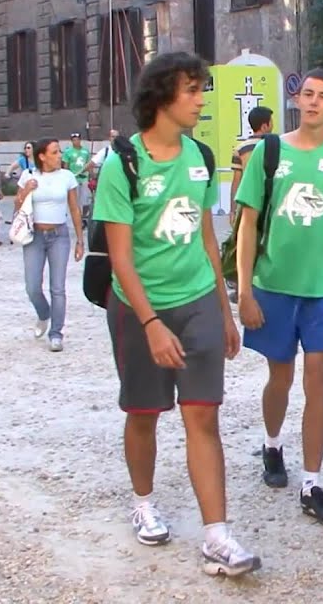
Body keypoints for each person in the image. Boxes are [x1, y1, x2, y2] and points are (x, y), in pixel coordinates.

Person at [92, 52, 258, 576]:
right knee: (143, 414)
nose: (201, 100)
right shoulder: (124, 163)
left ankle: (218, 536)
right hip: (139, 308)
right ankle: (143, 500)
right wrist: (150, 322)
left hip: (197, 303)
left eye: (203, 89)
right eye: (193, 90)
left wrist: (224, 308)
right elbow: (120, 257)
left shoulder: (202, 158)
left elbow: (207, 234)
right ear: (163, 96)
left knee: (203, 416)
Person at [234, 68, 323, 526]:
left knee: (319, 380)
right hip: (273, 287)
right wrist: (244, 291)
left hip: (322, 292)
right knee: (281, 378)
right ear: (298, 100)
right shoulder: (268, 153)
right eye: (307, 94)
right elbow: (247, 224)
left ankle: (312, 484)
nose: (313, 102)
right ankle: (272, 445)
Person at [15, 138, 84, 352]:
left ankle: (56, 333)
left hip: (59, 236)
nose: (59, 156)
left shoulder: (67, 177)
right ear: (42, 156)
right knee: (32, 286)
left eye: (59, 152)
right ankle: (44, 314)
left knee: (58, 288)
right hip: (34, 235)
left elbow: (74, 209)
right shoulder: (29, 175)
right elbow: (17, 205)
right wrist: (26, 190)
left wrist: (80, 240)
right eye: (54, 152)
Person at [229, 106, 274, 226]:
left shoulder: (240, 149)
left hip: (247, 202)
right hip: (271, 203)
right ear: (265, 126)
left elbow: (236, 182)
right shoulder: (276, 147)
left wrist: (232, 210)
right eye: (271, 122)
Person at [63, 132, 95, 218]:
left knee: (86, 199)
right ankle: (78, 216)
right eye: (74, 140)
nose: (76, 142)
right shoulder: (68, 152)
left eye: (77, 140)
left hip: (84, 178)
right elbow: (66, 166)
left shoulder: (85, 151)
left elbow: (89, 164)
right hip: (74, 178)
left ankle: (84, 215)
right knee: (75, 200)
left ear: (80, 140)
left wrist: (92, 177)